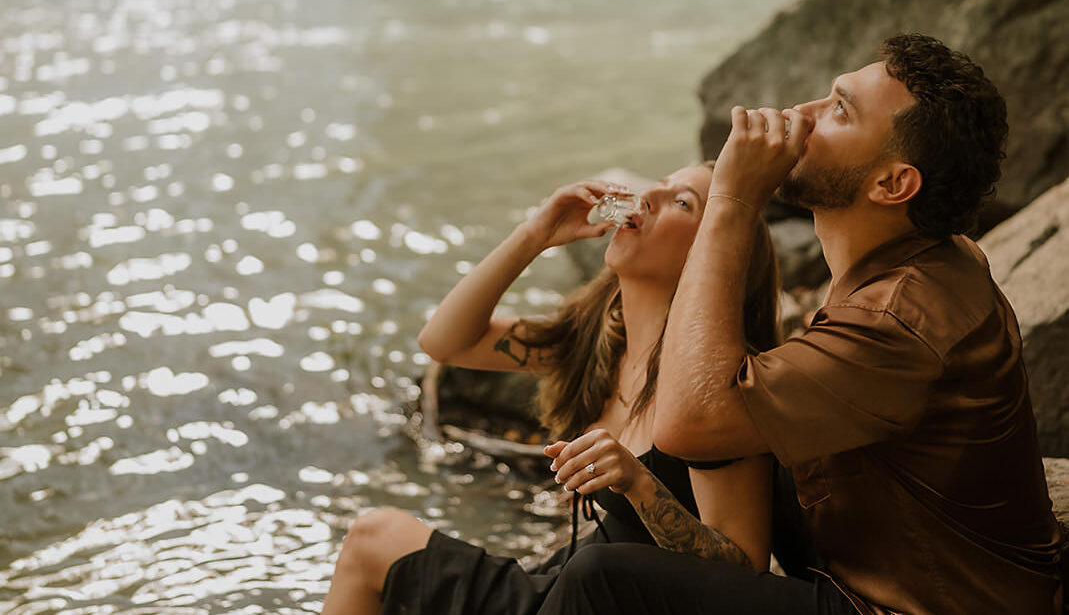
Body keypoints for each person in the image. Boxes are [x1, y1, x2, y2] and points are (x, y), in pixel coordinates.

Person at [535, 33, 1063, 615]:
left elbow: (687, 424)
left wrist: (734, 199)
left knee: (602, 578)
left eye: (838, 110)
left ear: (892, 184)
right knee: (713, 461)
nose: (800, 116)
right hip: (867, 566)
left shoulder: (898, 318)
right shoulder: (916, 259)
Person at [319, 162, 782, 615]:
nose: (648, 195)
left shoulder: (719, 385)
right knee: (372, 538)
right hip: (559, 585)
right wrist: (535, 235)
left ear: (714, 256)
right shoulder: (597, 340)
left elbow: (742, 571)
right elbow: (443, 341)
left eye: (682, 201)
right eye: (660, 183)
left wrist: (641, 485)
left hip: (613, 598)